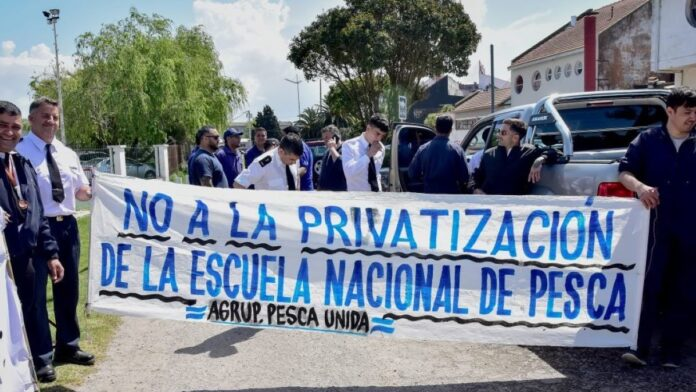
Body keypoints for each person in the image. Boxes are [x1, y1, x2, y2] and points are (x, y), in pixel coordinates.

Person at [15, 97, 94, 382]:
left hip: (67, 227)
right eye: (45, 116)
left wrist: (97, 189)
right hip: (36, 229)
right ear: (31, 119)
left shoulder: (67, 153)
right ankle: (41, 357)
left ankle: (68, 346)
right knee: (36, 296)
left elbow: (81, 192)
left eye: (55, 117)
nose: (51, 122)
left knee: (68, 290)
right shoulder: (20, 152)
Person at [617, 86, 696, 368]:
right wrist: (640, 188)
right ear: (670, 111)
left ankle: (671, 352)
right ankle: (640, 348)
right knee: (650, 285)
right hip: (654, 227)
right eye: (687, 111)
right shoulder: (648, 141)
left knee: (684, 288)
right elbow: (624, 172)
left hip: (690, 229)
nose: (693, 117)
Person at [472, 118, 558, 195]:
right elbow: (475, 178)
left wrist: (539, 161)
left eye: (503, 133)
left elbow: (554, 152)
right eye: (498, 131)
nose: (498, 135)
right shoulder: (488, 154)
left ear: (515, 138)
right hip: (490, 209)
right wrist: (476, 189)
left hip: (515, 209)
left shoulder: (528, 152)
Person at [408, 115, 469, 194]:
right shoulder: (457, 150)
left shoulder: (423, 149)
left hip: (429, 197)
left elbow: (412, 173)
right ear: (450, 130)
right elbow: (465, 177)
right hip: (451, 200)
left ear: (435, 128)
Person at [233, 134, 302, 191]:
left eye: (296, 160)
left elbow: (296, 183)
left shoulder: (293, 157)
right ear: (281, 152)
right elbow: (238, 184)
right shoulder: (263, 163)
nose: (294, 163)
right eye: (292, 159)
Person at [342, 114, 389, 192]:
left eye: (382, 136)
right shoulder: (349, 145)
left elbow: (376, 173)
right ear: (368, 128)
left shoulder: (381, 148)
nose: (379, 138)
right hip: (357, 198)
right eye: (377, 133)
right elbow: (348, 173)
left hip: (376, 197)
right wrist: (368, 155)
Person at [283, 126, 314, 191]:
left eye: (284, 136)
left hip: (304, 189)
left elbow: (304, 169)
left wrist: (291, 176)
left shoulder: (301, 148)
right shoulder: (301, 146)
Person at [318, 125, 347, 191]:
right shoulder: (327, 152)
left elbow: (342, 166)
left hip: (338, 193)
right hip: (324, 192)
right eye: (323, 138)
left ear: (336, 137)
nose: (324, 140)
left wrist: (332, 149)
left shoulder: (345, 150)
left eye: (326, 137)